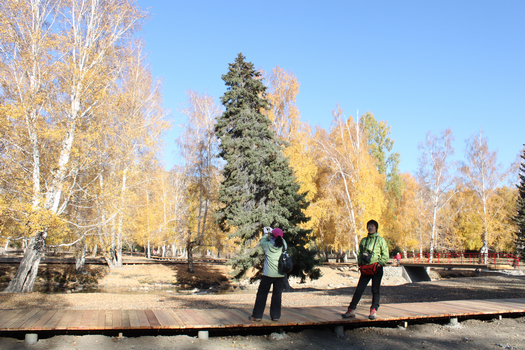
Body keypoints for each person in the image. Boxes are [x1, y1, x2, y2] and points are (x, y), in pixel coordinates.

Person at [342, 220, 389, 320]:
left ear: (376, 228)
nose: (370, 228)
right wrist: (360, 264)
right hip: (366, 269)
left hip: (376, 269)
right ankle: (351, 310)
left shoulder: (381, 240)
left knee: (375, 290)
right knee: (359, 289)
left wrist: (380, 264)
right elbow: (360, 254)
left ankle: (373, 309)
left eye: (372, 226)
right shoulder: (364, 240)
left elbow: (385, 255)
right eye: (369, 226)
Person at [249, 227, 287, 322]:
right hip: (280, 275)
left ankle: (257, 315)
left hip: (268, 274)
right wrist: (275, 232)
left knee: (262, 294)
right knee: (277, 295)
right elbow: (281, 238)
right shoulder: (284, 244)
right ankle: (275, 316)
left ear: (272, 236)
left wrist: (266, 234)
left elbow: (262, 242)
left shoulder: (268, 245)